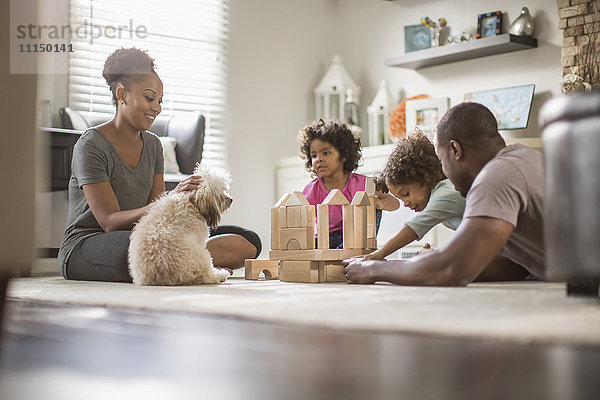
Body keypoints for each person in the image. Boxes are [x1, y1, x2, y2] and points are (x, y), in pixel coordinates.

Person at [58, 47, 261, 283]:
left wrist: (184, 202)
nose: (157, 107)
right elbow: (109, 222)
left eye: (160, 100)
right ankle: (192, 261)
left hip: (145, 234)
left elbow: (156, 214)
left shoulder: (153, 145)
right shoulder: (91, 144)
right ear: (122, 94)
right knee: (152, 250)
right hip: (89, 242)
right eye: (149, 97)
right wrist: (171, 197)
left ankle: (188, 260)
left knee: (248, 241)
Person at [343, 102, 542, 285]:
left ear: (455, 150)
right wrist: (434, 260)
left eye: (442, 160)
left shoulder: (495, 176)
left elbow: (452, 270)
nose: (444, 172)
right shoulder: (528, 158)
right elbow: (510, 267)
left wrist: (373, 269)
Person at [361, 131, 465, 260]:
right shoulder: (443, 192)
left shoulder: (447, 193)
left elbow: (415, 226)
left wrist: (378, 254)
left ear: (425, 177)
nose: (405, 203)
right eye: (401, 199)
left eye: (406, 193)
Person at [298, 120, 399, 248]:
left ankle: (350, 252)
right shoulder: (311, 189)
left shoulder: (360, 184)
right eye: (314, 155)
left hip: (356, 237)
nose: (319, 159)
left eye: (326, 153)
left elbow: (395, 204)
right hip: (324, 240)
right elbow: (302, 218)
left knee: (371, 206)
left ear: (343, 156)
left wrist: (379, 203)